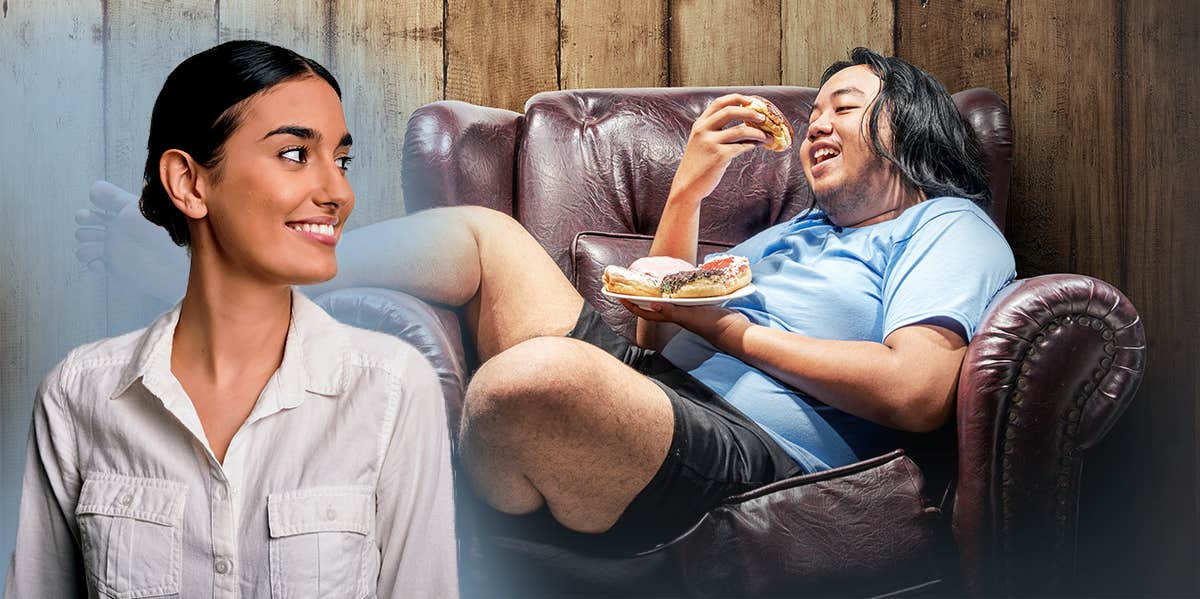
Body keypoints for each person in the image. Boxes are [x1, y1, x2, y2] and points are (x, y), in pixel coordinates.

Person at [75, 47, 1015, 553]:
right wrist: (688, 190)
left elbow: (918, 390)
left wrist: (725, 326)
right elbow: (655, 314)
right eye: (818, 110)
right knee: (486, 235)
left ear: (912, 122)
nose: (819, 124)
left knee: (533, 380)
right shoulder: (798, 233)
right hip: (662, 383)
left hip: (763, 449)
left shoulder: (946, 229)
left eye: (847, 106)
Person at [7, 40, 458, 597]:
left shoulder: (391, 389)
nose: (339, 191)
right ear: (189, 183)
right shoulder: (78, 395)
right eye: (295, 154)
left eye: (341, 161)